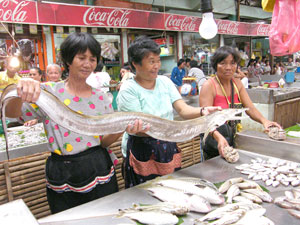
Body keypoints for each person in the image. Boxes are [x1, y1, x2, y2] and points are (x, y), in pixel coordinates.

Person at [5, 32, 149, 214]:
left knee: (105, 217)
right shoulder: (47, 93)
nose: (88, 64)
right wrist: (19, 90)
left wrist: (123, 128)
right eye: (81, 58)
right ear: (68, 60)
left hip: (98, 166)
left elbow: (103, 141)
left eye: (92, 58)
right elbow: (12, 113)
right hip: (62, 171)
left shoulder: (101, 97)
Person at [117, 36, 220, 188]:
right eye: (151, 61)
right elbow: (138, 128)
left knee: (171, 189)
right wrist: (175, 130)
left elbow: (183, 109)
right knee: (143, 193)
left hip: (167, 144)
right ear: (135, 64)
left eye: (158, 60)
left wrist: (203, 110)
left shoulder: (164, 82)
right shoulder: (129, 90)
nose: (156, 66)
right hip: (142, 148)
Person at [199, 46, 281, 160]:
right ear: (215, 65)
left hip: (231, 137)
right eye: (223, 63)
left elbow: (250, 108)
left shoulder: (237, 84)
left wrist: (265, 121)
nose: (228, 67)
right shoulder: (209, 86)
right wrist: (218, 138)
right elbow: (205, 120)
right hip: (213, 140)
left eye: (232, 63)